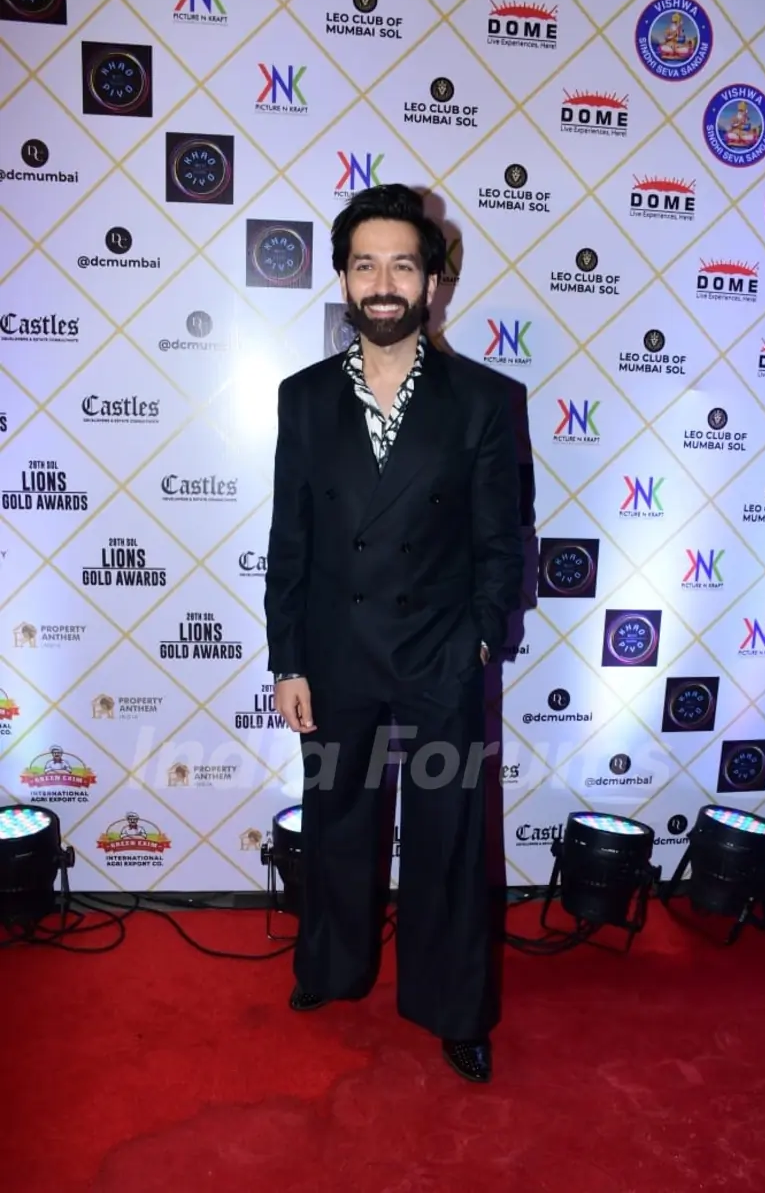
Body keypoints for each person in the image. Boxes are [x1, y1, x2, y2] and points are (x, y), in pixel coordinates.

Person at [265, 183, 526, 1083]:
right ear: (342, 276)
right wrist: (287, 660)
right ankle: (330, 969)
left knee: (449, 836)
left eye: (403, 265)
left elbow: (502, 541)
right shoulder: (302, 400)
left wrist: (483, 640)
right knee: (339, 823)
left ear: (433, 281)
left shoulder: (486, 400)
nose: (384, 282)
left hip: (439, 658)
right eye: (366, 263)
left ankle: (453, 1006)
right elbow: (287, 541)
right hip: (337, 660)